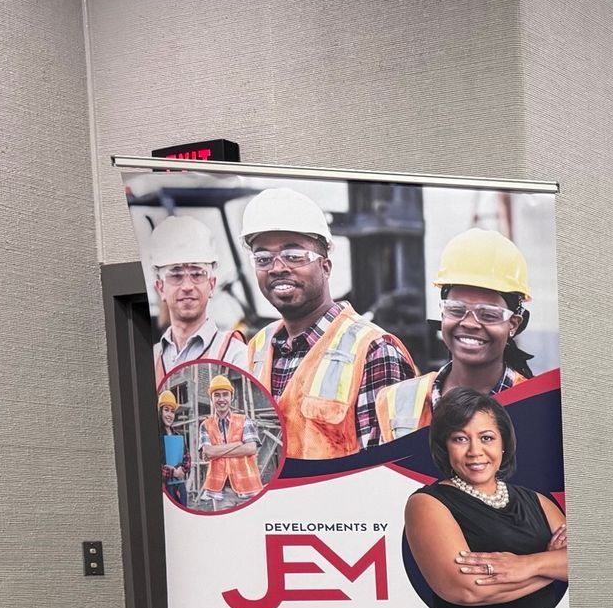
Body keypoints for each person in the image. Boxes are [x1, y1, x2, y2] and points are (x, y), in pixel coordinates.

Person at [238, 186, 416, 460]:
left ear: (326, 267)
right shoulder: (257, 348)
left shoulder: (374, 352)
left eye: (294, 255)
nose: (277, 267)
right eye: (263, 258)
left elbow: (386, 473)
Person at [403, 387, 567, 608]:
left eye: (487, 438)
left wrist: (526, 565)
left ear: (503, 444)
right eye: (460, 438)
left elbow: (584, 565)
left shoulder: (537, 501)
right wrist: (550, 566)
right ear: (445, 447)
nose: (475, 451)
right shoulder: (427, 503)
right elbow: (468, 589)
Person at [370, 229, 535, 444]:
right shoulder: (397, 401)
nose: (469, 323)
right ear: (442, 313)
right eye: (456, 310)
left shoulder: (535, 406)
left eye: (488, 314)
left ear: (513, 324)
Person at [148, 215, 249, 380]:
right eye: (176, 275)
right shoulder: (149, 359)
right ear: (161, 288)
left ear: (212, 285)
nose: (187, 286)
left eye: (197, 274)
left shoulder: (236, 357)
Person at [196, 374, 265, 504]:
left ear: (231, 397)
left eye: (225, 394)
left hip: (248, 488)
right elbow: (208, 452)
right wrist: (238, 444)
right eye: (217, 395)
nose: (221, 399)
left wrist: (217, 451)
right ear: (211, 398)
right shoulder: (205, 425)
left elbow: (251, 448)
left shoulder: (244, 420)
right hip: (219, 491)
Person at [158, 390, 189, 504]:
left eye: (172, 411)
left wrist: (183, 470)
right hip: (164, 489)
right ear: (160, 411)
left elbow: (187, 458)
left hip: (179, 488)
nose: (169, 415)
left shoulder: (178, 436)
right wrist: (172, 472)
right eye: (166, 410)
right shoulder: (155, 436)